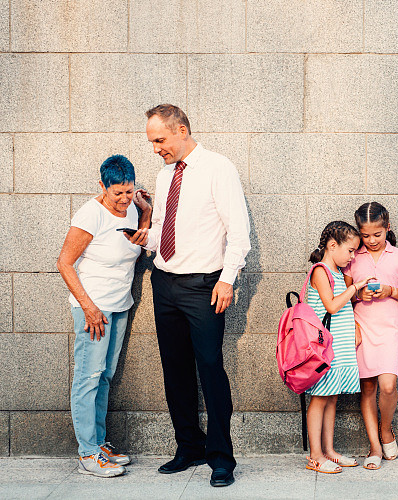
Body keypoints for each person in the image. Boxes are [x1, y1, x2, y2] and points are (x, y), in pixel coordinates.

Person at [132, 104, 250, 487]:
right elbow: (168, 228)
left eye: (160, 140)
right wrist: (144, 236)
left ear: (181, 130)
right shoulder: (166, 174)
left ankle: (220, 457)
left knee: (211, 369)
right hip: (164, 283)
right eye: (152, 142)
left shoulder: (219, 168)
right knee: (175, 370)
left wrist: (227, 279)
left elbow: (239, 231)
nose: (156, 149)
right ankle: (189, 447)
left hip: (204, 286)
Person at [57, 155, 151, 477]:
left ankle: (98, 443)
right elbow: (64, 263)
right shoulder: (90, 214)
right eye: (117, 194)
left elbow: (139, 242)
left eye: (129, 191)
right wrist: (89, 307)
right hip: (93, 310)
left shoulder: (135, 208)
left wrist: (147, 213)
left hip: (119, 305)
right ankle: (87, 453)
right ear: (102, 187)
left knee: (105, 375)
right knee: (88, 376)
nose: (125, 200)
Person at [342, 202, 398, 470]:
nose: (372, 240)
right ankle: (374, 446)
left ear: (388, 228)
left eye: (377, 234)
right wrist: (359, 296)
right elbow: (345, 296)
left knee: (387, 386)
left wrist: (390, 290)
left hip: (388, 332)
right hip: (362, 328)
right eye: (365, 235)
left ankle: (387, 430)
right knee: (368, 388)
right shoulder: (352, 257)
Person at [304, 221, 373, 474]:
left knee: (331, 399)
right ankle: (315, 456)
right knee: (320, 399)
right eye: (350, 250)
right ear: (333, 246)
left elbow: (341, 308)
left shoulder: (336, 273)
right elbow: (332, 306)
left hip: (338, 349)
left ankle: (329, 451)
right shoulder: (320, 271)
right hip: (323, 350)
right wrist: (354, 287)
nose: (353, 256)